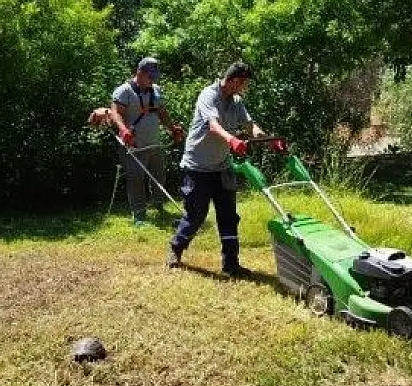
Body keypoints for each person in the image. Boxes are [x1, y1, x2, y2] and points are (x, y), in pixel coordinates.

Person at [167, 61, 286, 277]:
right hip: (198, 166)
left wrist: (269, 140)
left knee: (229, 215)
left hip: (222, 166)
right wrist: (232, 140)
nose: (245, 87)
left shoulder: (236, 102)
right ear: (233, 81)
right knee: (196, 214)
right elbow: (213, 125)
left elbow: (251, 127)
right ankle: (176, 249)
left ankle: (231, 264)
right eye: (244, 83)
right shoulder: (208, 95)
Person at [107, 57, 184, 226]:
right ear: (139, 73)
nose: (153, 80)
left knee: (159, 175)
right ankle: (139, 214)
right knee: (136, 179)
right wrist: (123, 130)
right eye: (150, 76)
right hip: (134, 145)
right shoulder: (124, 91)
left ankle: (158, 203)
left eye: (154, 77)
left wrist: (172, 129)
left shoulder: (155, 89)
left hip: (154, 142)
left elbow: (162, 113)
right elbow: (115, 113)